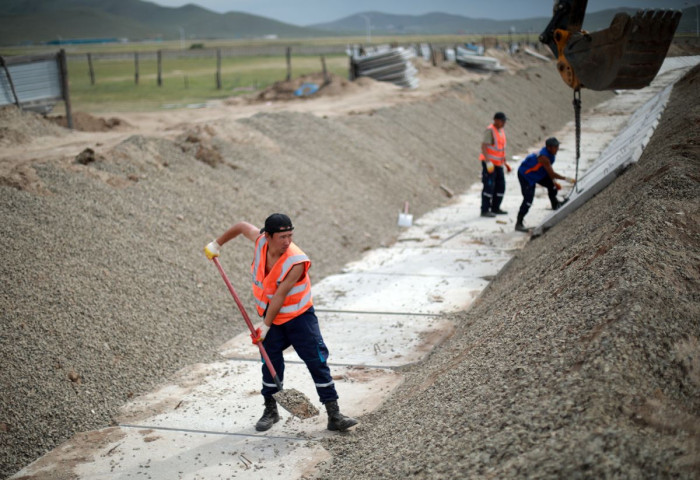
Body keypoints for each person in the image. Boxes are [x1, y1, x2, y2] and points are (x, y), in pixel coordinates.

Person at [204, 213, 358, 432]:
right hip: (273, 317)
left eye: (290, 236)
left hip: (300, 319)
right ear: (267, 236)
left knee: (316, 360)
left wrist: (265, 326)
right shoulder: (260, 242)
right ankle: (270, 411)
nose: (287, 241)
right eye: (282, 237)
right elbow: (240, 226)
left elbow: (280, 294)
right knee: (270, 362)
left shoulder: (296, 260)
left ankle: (334, 414)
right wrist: (216, 244)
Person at [515, 137, 576, 232]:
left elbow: (549, 173)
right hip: (526, 175)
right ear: (549, 147)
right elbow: (552, 174)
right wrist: (569, 180)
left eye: (558, 146)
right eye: (555, 147)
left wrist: (554, 183)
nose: (557, 149)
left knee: (551, 185)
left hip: (537, 173)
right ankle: (519, 223)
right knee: (528, 200)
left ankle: (555, 204)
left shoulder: (550, 154)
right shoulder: (544, 157)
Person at [479, 112, 512, 217]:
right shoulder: (490, 130)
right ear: (496, 120)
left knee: (500, 186)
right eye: (502, 121)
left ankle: (495, 208)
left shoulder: (500, 131)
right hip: (490, 164)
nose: (504, 123)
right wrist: (488, 162)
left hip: (498, 164)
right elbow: (484, 146)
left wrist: (505, 163)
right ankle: (485, 210)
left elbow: (501, 148)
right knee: (489, 186)